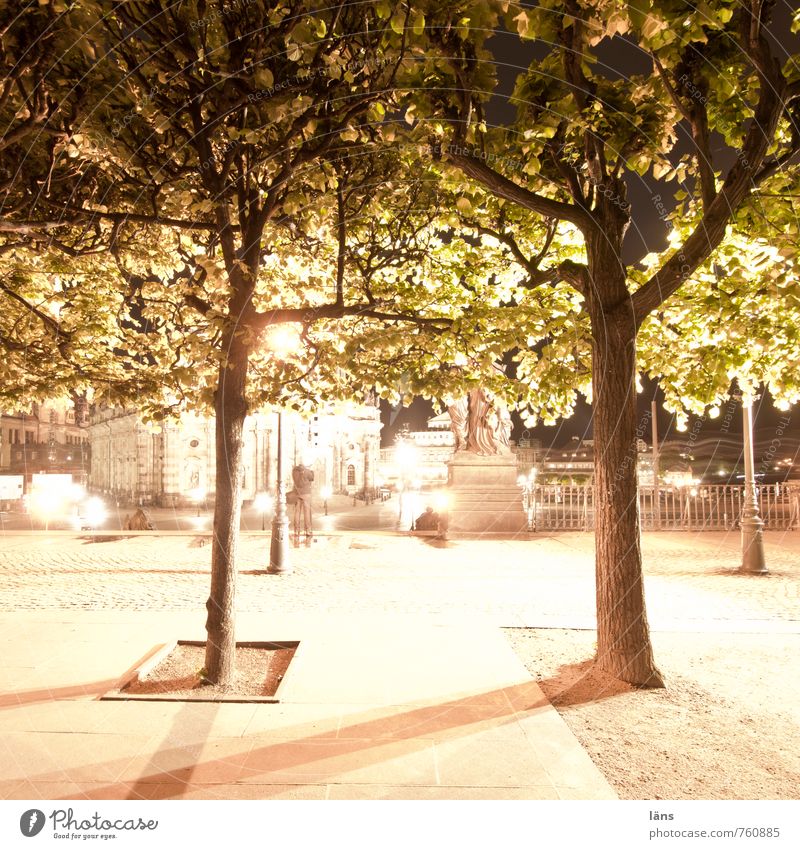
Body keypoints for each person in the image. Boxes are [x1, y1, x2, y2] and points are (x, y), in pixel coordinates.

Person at [291, 462, 314, 536]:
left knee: (297, 512)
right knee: (306, 512)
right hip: (306, 494)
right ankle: (307, 530)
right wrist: (311, 471)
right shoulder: (307, 471)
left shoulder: (294, 471)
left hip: (297, 493)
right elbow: (312, 478)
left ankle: (296, 530)